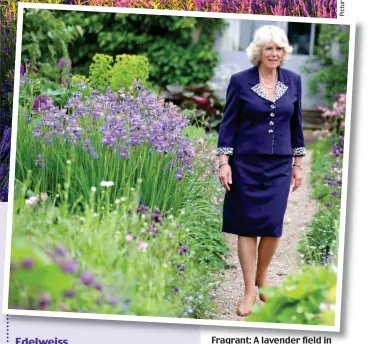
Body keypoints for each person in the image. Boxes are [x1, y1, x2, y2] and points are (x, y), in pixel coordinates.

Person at [216, 25, 305, 317]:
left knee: (272, 224)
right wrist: (223, 162)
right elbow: (228, 124)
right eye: (269, 48)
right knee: (246, 226)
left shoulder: (293, 80)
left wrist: (298, 163)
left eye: (279, 49)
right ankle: (249, 291)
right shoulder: (240, 81)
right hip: (246, 164)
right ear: (258, 51)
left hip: (279, 164)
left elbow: (297, 124)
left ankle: (262, 275)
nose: (274, 54)